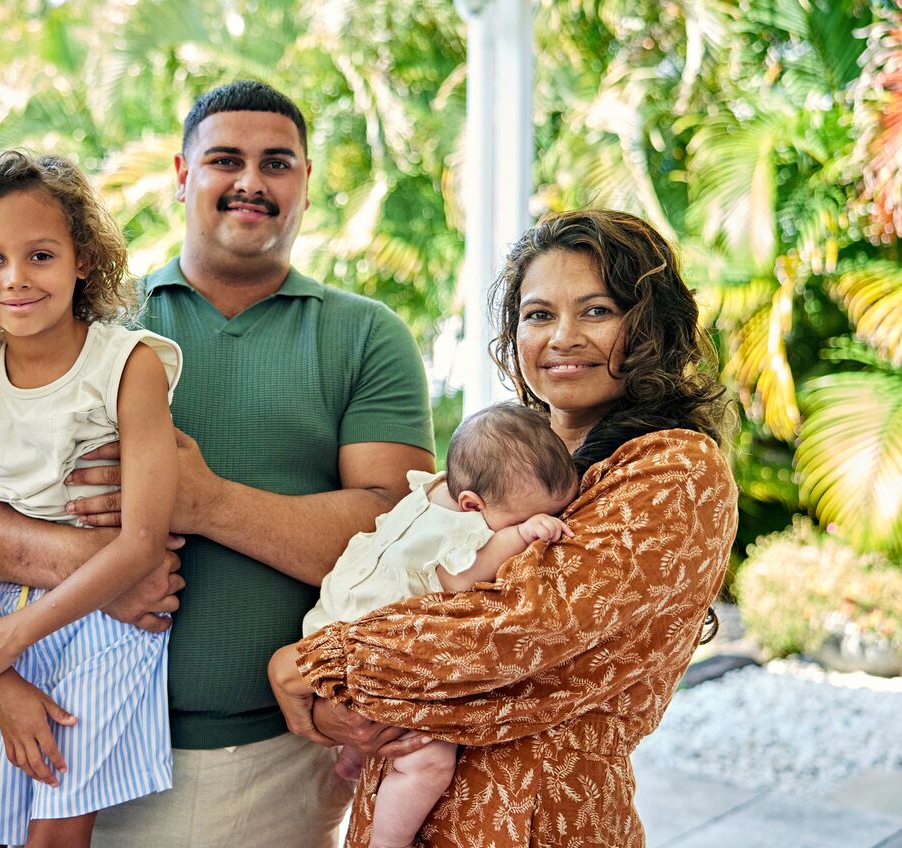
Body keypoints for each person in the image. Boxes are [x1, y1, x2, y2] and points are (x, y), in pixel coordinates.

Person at [0, 81, 437, 846]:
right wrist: (107, 570)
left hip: (270, 763)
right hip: (74, 724)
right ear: (183, 177)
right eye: (225, 160)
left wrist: (204, 501)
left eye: (277, 163)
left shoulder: (364, 336)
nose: (251, 181)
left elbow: (400, 543)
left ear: (307, 183)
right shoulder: (91, 318)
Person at [267, 208, 739, 848]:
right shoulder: (511, 456)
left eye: (597, 311)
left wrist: (316, 663)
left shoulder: (674, 469)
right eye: (539, 315)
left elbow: (514, 631)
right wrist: (330, 692)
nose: (562, 337)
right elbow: (415, 585)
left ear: (649, 327)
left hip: (539, 820)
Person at [0, 150, 182, 848]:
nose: (15, 279)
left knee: (54, 835)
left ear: (83, 261)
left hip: (111, 620)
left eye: (40, 255)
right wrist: (0, 675)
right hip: (6, 617)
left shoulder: (129, 366)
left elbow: (141, 543)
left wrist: (12, 639)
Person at [299, 403, 578, 848]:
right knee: (428, 761)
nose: (543, 523)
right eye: (522, 518)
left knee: (367, 722)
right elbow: (460, 578)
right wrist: (522, 536)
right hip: (366, 652)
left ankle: (353, 756)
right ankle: (388, 842)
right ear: (472, 505)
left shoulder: (428, 493)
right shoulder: (459, 529)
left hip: (331, 624)